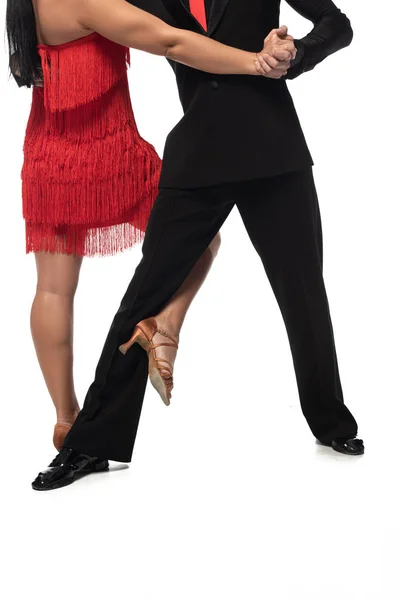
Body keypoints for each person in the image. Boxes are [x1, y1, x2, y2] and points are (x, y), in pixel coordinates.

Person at [33, 0, 364, 492]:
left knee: (303, 294)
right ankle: (91, 444)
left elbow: (339, 24)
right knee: (140, 299)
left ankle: (332, 422)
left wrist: (295, 55)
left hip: (274, 150)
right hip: (198, 158)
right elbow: (112, 30)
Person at [6, 0, 279, 451]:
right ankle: (166, 325)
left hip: (47, 158)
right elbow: (169, 40)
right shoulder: (84, 1)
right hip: (110, 158)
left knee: (52, 290)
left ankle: (65, 417)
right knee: (204, 235)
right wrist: (253, 61)